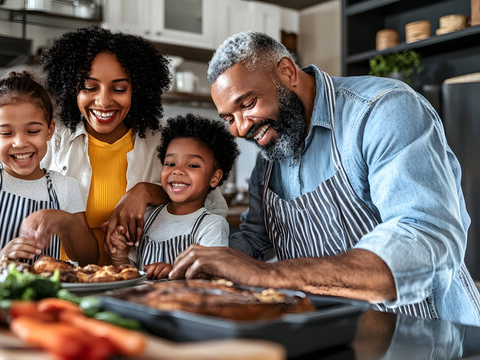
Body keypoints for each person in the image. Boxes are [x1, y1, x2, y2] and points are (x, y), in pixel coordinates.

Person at [169, 31, 480, 325]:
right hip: (341, 335)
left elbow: (423, 241)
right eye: (228, 119)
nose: (239, 128)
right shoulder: (270, 158)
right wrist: (201, 265)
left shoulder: (381, 110)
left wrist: (272, 275)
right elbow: (254, 240)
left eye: (248, 104)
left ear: (287, 72)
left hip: (434, 335)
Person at [30, 27, 227, 265]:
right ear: (72, 89)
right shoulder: (52, 140)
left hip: (132, 285)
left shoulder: (164, 143)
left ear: (138, 90)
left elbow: (213, 208)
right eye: (90, 87)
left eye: (119, 89)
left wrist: (146, 191)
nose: (103, 101)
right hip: (60, 281)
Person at [0, 71, 98, 283]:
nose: (20, 143)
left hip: (35, 301)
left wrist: (65, 222)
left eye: (32, 131)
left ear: (49, 130)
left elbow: (88, 259)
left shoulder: (66, 187)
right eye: (6, 133)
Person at [108, 114, 239, 279]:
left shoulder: (212, 225)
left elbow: (213, 277)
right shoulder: (149, 216)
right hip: (142, 304)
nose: (177, 170)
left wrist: (175, 271)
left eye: (192, 165)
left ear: (214, 178)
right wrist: (119, 256)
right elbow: (130, 276)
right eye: (170, 164)